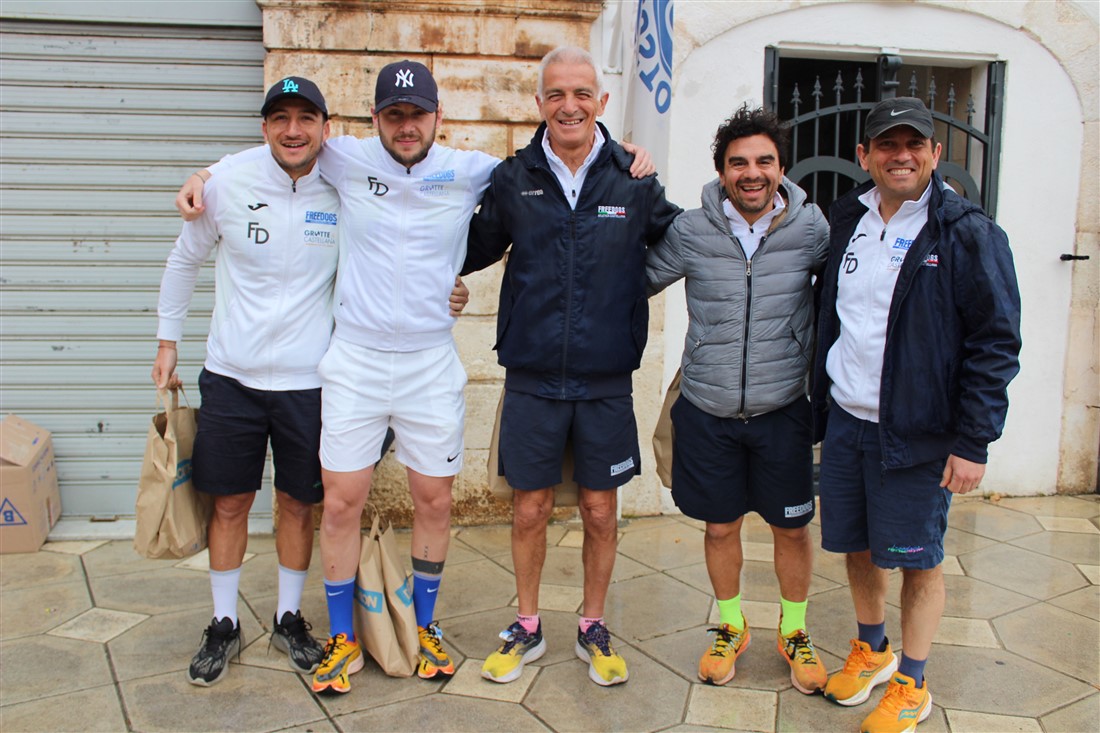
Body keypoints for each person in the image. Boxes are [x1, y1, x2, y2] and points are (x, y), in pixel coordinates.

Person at [176, 59, 654, 695]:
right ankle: (344, 639)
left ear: (437, 117)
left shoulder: (472, 169)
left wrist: (618, 150)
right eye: (393, 115)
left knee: (434, 501)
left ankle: (425, 628)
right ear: (375, 119)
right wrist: (206, 173)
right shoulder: (345, 159)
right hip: (355, 361)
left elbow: (553, 152)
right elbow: (282, 144)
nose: (406, 126)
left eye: (417, 114)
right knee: (340, 502)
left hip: (430, 363)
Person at [463, 46, 681, 687]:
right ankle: (527, 626)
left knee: (599, 511)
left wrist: (628, 293)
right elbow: (465, 246)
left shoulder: (632, 179)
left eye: (582, 93)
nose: (569, 105)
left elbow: (685, 241)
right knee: (528, 508)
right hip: (532, 377)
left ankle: (592, 624)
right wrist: (430, 282)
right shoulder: (514, 177)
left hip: (605, 380)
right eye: (556, 94)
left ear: (601, 102)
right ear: (539, 104)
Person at [811, 97, 1021, 733]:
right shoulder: (846, 218)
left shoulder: (967, 233)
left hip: (919, 432)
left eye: (914, 145)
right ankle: (873, 648)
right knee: (856, 546)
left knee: (917, 556)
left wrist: (974, 441)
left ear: (934, 154)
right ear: (865, 156)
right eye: (887, 145)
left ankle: (914, 682)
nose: (900, 155)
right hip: (847, 418)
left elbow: (995, 342)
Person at [155, 76, 335, 686]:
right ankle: (224, 623)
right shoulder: (230, 183)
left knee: (296, 501)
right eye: (280, 118)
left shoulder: (342, 184)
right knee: (229, 502)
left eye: (305, 118)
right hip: (230, 376)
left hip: (308, 382)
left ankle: (288, 617)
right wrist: (166, 340)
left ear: (324, 128)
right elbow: (184, 259)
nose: (292, 129)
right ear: (264, 129)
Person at [646, 105, 829, 693]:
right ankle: (731, 626)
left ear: (781, 166)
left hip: (783, 410)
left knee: (792, 529)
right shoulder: (693, 230)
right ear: (721, 170)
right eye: (738, 163)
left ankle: (794, 631)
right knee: (721, 528)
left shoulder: (813, 227)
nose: (752, 173)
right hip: (708, 408)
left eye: (764, 161)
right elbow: (630, 278)